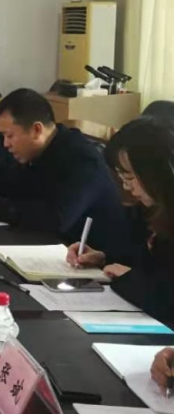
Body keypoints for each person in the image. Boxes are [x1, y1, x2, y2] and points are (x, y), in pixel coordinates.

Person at [0, 88, 129, 255]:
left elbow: (57, 219)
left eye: (10, 136)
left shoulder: (81, 159)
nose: (5, 144)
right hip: (48, 248)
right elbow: (7, 187)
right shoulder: (32, 153)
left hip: (95, 259)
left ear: (36, 130)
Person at [66, 118, 174, 322]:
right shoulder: (149, 210)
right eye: (122, 179)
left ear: (157, 172)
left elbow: (166, 299)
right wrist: (103, 258)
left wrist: (129, 279)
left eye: (130, 178)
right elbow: (143, 260)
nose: (126, 187)